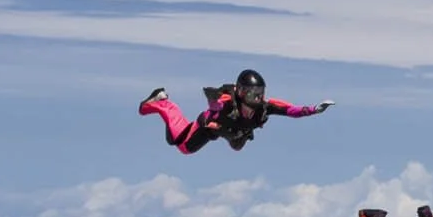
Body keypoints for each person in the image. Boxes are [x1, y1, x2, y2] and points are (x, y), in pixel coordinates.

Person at [139, 70, 328, 155]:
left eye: (260, 93)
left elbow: (290, 110)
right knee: (179, 144)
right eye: (253, 94)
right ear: (241, 92)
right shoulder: (228, 102)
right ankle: (162, 102)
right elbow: (216, 108)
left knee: (237, 142)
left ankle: (164, 103)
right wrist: (212, 100)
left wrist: (314, 110)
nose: (257, 98)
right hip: (208, 127)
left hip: (230, 131)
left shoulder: (264, 107)